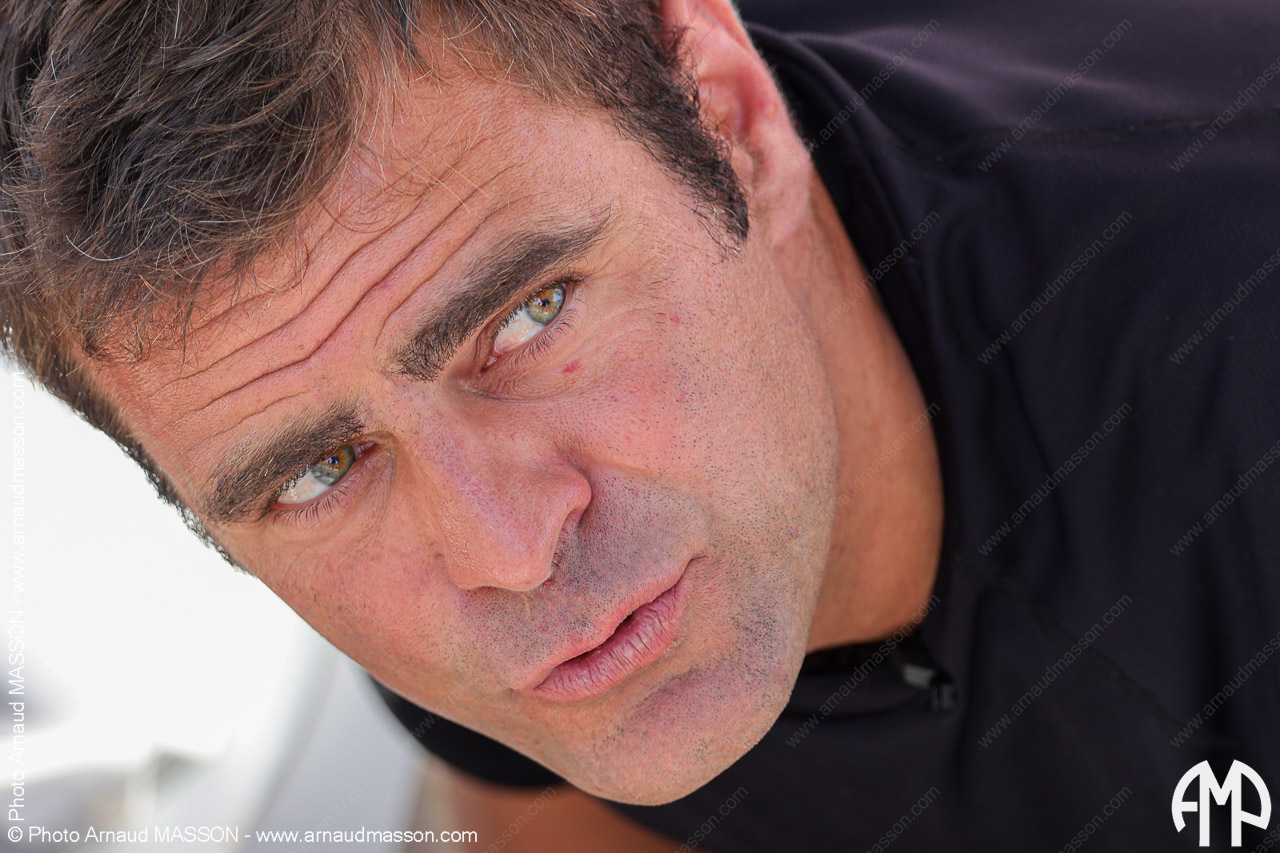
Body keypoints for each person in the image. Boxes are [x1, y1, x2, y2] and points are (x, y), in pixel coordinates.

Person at [2, 0, 1277, 849]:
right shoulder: (439, 540)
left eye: (525, 318)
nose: (507, 550)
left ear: (729, 119)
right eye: (321, 470)